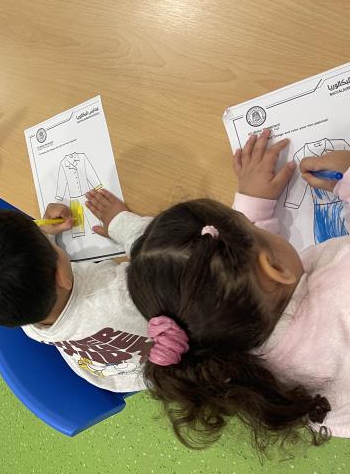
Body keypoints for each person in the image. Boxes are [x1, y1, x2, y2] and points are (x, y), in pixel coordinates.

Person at [126, 128, 347, 452]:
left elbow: (237, 273)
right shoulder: (340, 286)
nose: (252, 222)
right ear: (275, 269)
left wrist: (253, 206)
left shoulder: (232, 354)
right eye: (251, 227)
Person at [0, 189, 152, 392]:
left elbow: (20, 269)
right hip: (159, 366)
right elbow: (161, 257)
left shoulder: (28, 317)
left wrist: (43, 232)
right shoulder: (117, 294)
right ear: (62, 277)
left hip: (107, 376)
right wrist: (120, 222)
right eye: (51, 246)